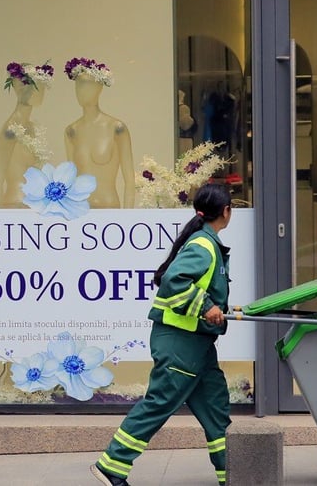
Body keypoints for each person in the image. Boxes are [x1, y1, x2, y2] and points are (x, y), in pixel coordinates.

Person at [91, 183, 233, 486]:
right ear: (225, 212)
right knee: (159, 403)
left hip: (197, 346)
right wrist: (207, 307)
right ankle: (111, 465)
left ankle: (232, 474)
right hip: (180, 344)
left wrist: (220, 307)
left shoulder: (206, 243)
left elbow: (197, 286)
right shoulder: (203, 245)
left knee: (216, 409)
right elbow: (174, 280)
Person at [64, 61, 134, 208]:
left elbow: (129, 181)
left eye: (87, 85)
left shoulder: (116, 128)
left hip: (109, 207)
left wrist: (128, 218)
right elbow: (70, 179)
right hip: (80, 211)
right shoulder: (71, 131)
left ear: (99, 88)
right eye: (78, 86)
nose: (81, 91)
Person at [0, 72, 49, 208]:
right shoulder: (11, 130)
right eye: (36, 85)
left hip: (34, 206)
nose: (41, 91)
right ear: (22, 88)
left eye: (42, 85)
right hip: (15, 204)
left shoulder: (33, 127)